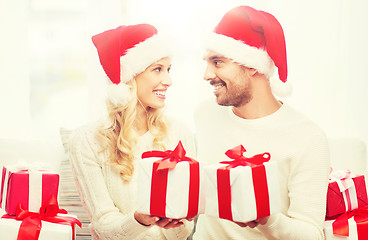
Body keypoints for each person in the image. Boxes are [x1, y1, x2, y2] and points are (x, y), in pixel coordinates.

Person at [193, 6, 330, 239]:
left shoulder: (307, 138)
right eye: (207, 62)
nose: (206, 74)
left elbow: (312, 233)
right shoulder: (205, 115)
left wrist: (268, 220)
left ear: (252, 66)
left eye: (217, 62)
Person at [67, 24, 196, 240]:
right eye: (158, 69)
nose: (169, 80)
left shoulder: (179, 134)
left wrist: (178, 219)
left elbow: (185, 228)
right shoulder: (86, 141)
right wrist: (139, 220)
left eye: (169, 69)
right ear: (129, 77)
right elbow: (103, 226)